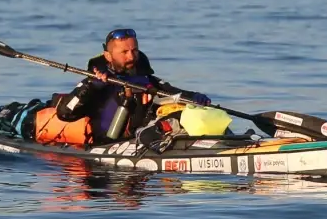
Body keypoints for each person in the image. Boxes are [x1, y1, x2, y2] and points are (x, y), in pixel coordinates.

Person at [29, 28, 211, 147]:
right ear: (108, 56)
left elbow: (173, 93)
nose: (131, 56)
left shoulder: (146, 79)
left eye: (134, 50)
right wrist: (92, 87)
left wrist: (195, 97)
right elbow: (65, 113)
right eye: (124, 52)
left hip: (134, 141)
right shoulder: (94, 80)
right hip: (103, 147)